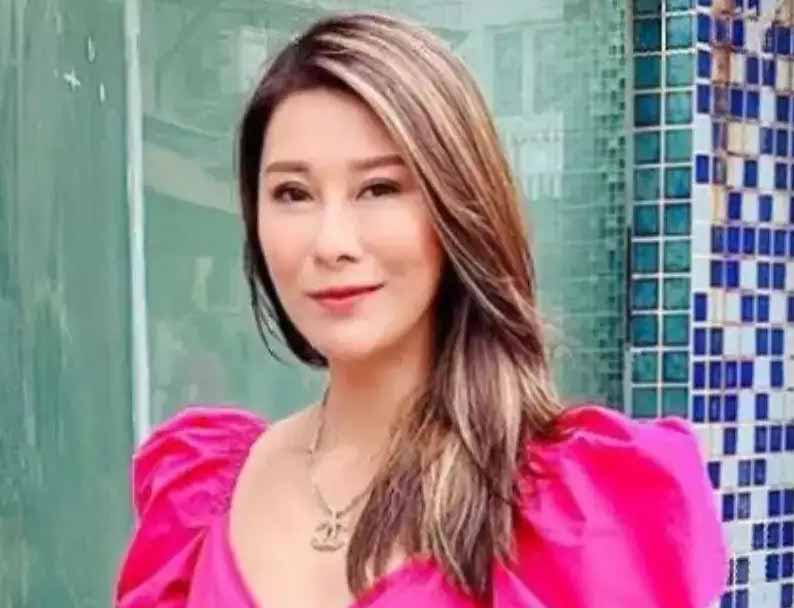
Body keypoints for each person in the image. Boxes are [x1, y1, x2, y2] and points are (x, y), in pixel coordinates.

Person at [114, 11, 729, 608]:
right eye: (292, 193)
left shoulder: (580, 515)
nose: (331, 243)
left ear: (458, 206)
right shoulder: (201, 495)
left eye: (379, 188)